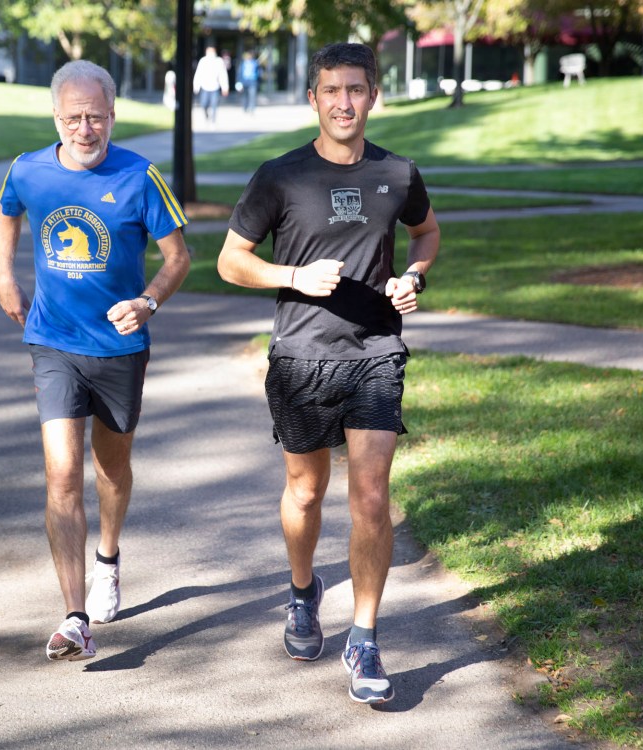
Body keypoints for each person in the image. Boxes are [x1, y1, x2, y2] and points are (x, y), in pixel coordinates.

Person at [216, 42, 440, 704]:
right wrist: (292, 276)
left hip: (375, 350)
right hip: (300, 355)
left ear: (375, 96)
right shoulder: (279, 177)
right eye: (332, 90)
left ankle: (365, 638)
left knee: (371, 494)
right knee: (307, 491)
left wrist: (412, 277)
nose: (345, 102)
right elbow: (231, 261)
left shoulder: (398, 173)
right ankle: (302, 589)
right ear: (313, 98)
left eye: (357, 89)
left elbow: (426, 234)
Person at [0, 60, 192, 662]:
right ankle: (75, 616)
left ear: (113, 116)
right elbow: (8, 212)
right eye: (75, 117)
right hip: (52, 339)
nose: (86, 129)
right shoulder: (27, 169)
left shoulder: (140, 176)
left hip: (120, 349)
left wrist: (148, 301)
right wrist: (3, 271)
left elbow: (178, 257)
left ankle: (108, 558)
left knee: (110, 470)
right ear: (56, 117)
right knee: (62, 474)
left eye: (97, 117)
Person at [192, 46, 229, 124]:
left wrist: (225, 87)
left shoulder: (219, 61)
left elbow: (223, 75)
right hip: (205, 87)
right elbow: (198, 74)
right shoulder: (203, 61)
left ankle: (213, 120)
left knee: (214, 104)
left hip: (215, 87)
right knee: (204, 104)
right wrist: (196, 86)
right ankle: (207, 115)